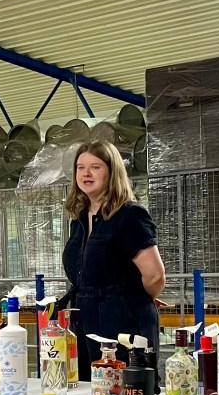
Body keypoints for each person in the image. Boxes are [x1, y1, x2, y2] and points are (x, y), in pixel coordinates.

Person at [60, 139, 166, 378]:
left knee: (128, 389)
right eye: (80, 167)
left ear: (112, 171)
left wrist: (135, 299)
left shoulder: (129, 216)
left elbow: (155, 275)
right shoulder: (79, 219)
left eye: (95, 167)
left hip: (122, 322)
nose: (86, 173)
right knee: (88, 390)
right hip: (84, 320)